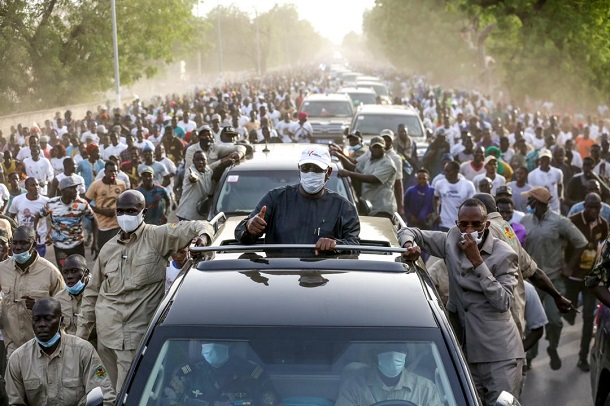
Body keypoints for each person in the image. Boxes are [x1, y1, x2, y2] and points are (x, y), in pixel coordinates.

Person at [76, 190, 214, 390]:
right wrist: (81, 336)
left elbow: (201, 225)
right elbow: (91, 293)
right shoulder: (108, 249)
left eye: (131, 211)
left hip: (134, 340)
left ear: (143, 212)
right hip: (105, 339)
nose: (125, 216)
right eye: (120, 211)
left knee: (127, 393)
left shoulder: (157, 237)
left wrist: (202, 238)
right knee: (105, 392)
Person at [399, 198, 524, 405]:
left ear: (487, 225)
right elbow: (410, 232)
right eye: (463, 223)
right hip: (465, 352)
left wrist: (477, 261)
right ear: (457, 224)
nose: (469, 229)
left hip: (499, 354)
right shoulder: (452, 239)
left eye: (476, 224)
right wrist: (409, 245)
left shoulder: (504, 255)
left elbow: (503, 301)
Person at [236, 147, 360, 255]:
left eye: (316, 169)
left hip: (322, 274)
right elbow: (241, 232)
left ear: (328, 172)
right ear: (299, 169)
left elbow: (354, 245)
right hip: (279, 274)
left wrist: (336, 245)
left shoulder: (343, 207)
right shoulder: (276, 198)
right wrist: (249, 228)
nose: (310, 173)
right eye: (306, 168)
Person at [520, 186, 588, 370]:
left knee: (554, 321)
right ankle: (529, 358)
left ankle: (552, 347)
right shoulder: (525, 221)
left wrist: (569, 266)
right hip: (531, 280)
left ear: (538, 203)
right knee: (531, 324)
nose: (527, 203)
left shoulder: (559, 222)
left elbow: (580, 242)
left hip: (552, 280)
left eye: (530, 200)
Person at [5, 297, 115, 405]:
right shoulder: (18, 359)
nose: (42, 324)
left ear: (60, 321)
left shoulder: (84, 351)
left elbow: (105, 396)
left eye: (48, 319)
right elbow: (13, 401)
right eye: (37, 319)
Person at [0, 226, 64, 359]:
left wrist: (42, 307)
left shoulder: (50, 272)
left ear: (33, 244)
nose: (18, 248)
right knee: (14, 379)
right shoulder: (2, 269)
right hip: (12, 344)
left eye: (23, 243)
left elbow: (65, 306)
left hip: (42, 346)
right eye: (15, 243)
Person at [565, 192, 608, 372]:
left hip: (591, 278)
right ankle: (570, 313)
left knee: (589, 317)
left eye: (596, 207)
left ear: (600, 208)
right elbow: (563, 243)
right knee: (569, 309)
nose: (592, 210)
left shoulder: (603, 225)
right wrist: (564, 265)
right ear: (584, 206)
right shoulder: (573, 221)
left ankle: (583, 357)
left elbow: (605, 249)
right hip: (573, 276)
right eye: (589, 207)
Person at [163, 341, 278, 406]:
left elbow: (270, 402)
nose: (213, 345)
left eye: (220, 341)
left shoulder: (253, 373)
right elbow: (169, 402)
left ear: (232, 346)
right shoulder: (186, 373)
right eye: (208, 341)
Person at [335, 345, 443, 406]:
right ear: (374, 356)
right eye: (385, 349)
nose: (392, 355)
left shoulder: (426, 389)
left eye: (398, 349)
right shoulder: (354, 387)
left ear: (406, 354)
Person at [37, 176, 98, 267]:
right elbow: (38, 216)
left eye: (76, 187)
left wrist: (95, 242)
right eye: (72, 188)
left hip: (77, 246)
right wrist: (36, 231)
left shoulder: (82, 204)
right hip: (60, 248)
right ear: (63, 190)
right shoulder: (51, 204)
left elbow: (94, 219)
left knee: (80, 272)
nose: (76, 190)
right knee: (65, 273)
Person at [338, 136, 397, 218]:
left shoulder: (387, 164)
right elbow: (355, 167)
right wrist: (340, 155)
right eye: (374, 147)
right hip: (368, 207)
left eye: (379, 147)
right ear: (370, 148)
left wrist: (349, 174)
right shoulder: (369, 160)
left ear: (384, 149)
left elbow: (373, 179)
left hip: (382, 209)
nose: (376, 149)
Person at [84, 161, 127, 248]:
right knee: (104, 254)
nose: (113, 173)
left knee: (117, 253)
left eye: (115, 171)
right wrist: (101, 211)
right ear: (105, 172)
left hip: (117, 226)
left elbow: (125, 203)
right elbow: (85, 203)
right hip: (101, 226)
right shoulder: (96, 185)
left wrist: (117, 211)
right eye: (110, 171)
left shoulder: (121, 185)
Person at [9, 177, 49, 257]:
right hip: (23, 240)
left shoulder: (46, 201)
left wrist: (50, 233)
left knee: (38, 264)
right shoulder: (17, 200)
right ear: (26, 187)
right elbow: (11, 218)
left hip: (39, 239)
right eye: (32, 185)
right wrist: (14, 232)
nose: (36, 187)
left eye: (37, 185)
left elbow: (51, 219)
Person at [54, 254, 91, 337]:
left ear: (86, 273)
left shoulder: (98, 294)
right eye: (66, 272)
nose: (69, 276)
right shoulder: (59, 299)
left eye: (74, 271)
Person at [432, 161, 475, 231]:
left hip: (462, 224)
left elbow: (473, 204)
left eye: (448, 171)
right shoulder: (439, 184)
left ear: (456, 171)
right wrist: (436, 213)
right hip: (444, 223)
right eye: (445, 170)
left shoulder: (468, 185)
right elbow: (435, 197)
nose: (446, 173)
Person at [527, 148, 564, 213]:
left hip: (554, 206)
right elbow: (531, 193)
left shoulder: (557, 172)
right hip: (540, 207)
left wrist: (560, 196)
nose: (545, 161)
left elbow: (560, 184)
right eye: (543, 159)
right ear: (539, 160)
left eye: (547, 159)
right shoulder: (532, 175)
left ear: (551, 160)